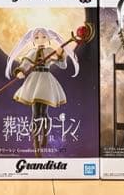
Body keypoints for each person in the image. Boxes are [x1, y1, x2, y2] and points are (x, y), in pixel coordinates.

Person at [5, 27, 80, 157]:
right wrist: (20, 72)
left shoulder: (50, 51)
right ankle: (36, 144)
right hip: (34, 81)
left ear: (48, 39)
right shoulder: (31, 52)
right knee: (35, 114)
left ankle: (45, 135)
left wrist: (60, 54)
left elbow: (63, 66)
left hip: (46, 81)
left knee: (44, 113)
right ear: (33, 40)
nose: (40, 39)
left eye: (44, 37)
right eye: (37, 37)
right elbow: (24, 65)